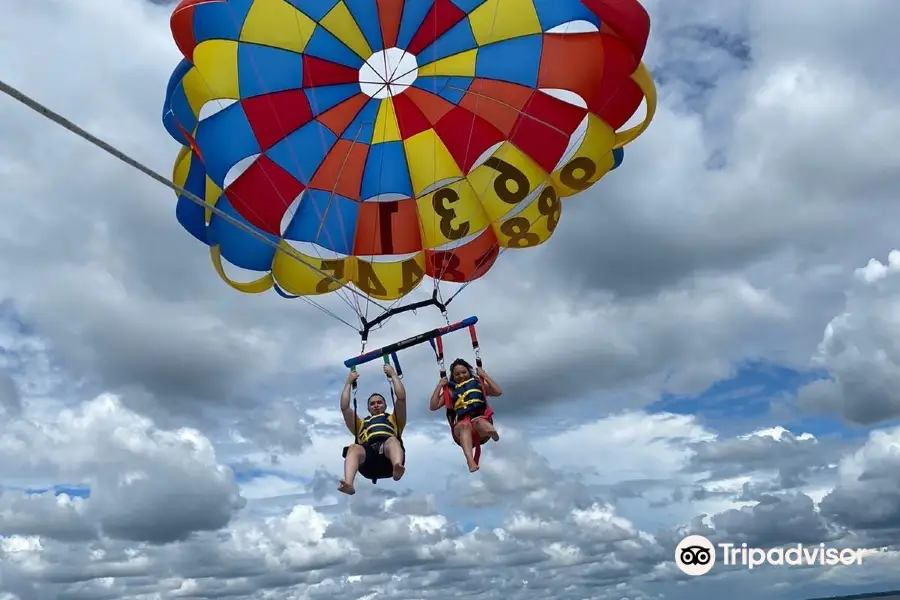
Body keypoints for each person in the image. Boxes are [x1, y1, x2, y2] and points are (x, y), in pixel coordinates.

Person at [338, 363, 406, 495]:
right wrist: (348, 382)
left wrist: (393, 375)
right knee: (353, 447)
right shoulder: (361, 425)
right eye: (372, 403)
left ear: (386, 405)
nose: (376, 405)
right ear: (368, 408)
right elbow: (344, 407)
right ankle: (349, 484)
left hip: (388, 461)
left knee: (392, 440)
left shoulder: (394, 420)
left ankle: (397, 467)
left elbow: (401, 398)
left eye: (379, 402)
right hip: (368, 463)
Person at [429, 358, 502, 472]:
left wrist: (485, 375)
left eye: (464, 372)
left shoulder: (477, 383)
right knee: (465, 426)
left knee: (479, 422)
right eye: (457, 374)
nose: (461, 375)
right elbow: (433, 406)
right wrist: (440, 386)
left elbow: (498, 392)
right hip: (462, 427)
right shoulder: (450, 390)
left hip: (480, 422)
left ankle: (491, 432)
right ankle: (470, 461)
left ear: (469, 372)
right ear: (453, 376)